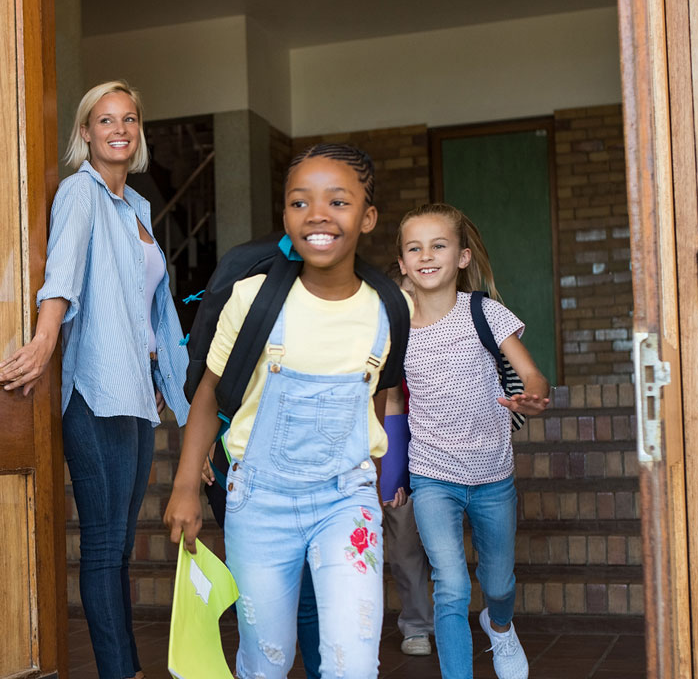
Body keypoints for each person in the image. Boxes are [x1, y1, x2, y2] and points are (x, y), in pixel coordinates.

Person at [166, 143, 412, 679]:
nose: (318, 215)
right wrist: (186, 485)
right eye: (300, 203)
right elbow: (208, 392)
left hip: (346, 502)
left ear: (367, 217)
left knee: (353, 663)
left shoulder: (390, 308)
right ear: (284, 215)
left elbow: (378, 394)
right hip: (259, 503)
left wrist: (379, 470)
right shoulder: (254, 297)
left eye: (338, 202)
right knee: (265, 661)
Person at [0, 79, 190, 679]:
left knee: (122, 546)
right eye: (106, 121)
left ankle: (124, 666)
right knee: (105, 546)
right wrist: (46, 339)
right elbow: (63, 272)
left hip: (135, 390)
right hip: (95, 389)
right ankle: (118, 671)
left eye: (129, 120)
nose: (119, 130)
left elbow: (150, 305)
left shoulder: (136, 207)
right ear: (86, 132)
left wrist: (164, 374)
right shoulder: (80, 194)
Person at [396, 203, 551, 679]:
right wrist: (389, 471)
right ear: (401, 262)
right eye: (414, 248)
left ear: (462, 257)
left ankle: (500, 628)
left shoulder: (484, 312)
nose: (426, 255)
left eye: (438, 245)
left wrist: (532, 398)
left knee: (498, 584)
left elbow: (532, 376)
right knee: (451, 587)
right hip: (432, 477)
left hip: (492, 475)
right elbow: (388, 403)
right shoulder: (394, 327)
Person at [379, 267, 435, 657]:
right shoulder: (379, 339)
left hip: (423, 451)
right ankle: (411, 625)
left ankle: (424, 623)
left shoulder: (438, 339)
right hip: (378, 446)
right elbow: (389, 402)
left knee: (413, 546)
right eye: (403, 298)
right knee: (393, 544)